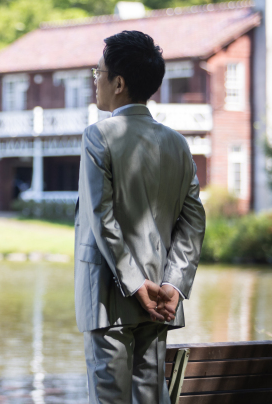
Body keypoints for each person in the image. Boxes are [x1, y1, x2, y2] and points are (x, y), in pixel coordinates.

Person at [75, 31, 206, 403]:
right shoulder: (178, 144)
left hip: (107, 297)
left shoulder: (98, 137)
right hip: (161, 300)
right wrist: (174, 284)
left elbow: (102, 218)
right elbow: (193, 222)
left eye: (97, 72)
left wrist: (134, 283)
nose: (94, 79)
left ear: (118, 83)